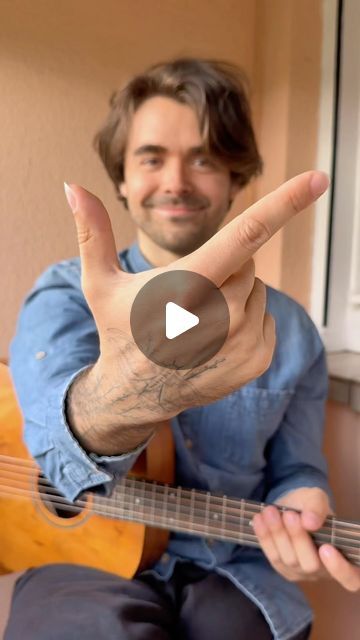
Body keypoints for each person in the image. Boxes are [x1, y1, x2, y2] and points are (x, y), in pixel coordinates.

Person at [6, 58, 359, 640]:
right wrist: (129, 393)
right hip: (79, 565)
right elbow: (52, 454)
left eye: (203, 157)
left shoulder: (292, 331)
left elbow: (296, 469)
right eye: (151, 158)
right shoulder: (65, 295)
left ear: (236, 177)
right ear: (121, 177)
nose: (176, 181)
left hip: (234, 573)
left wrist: (305, 506)